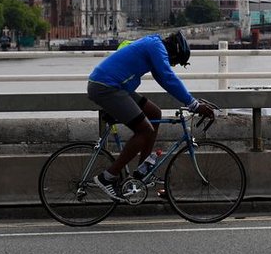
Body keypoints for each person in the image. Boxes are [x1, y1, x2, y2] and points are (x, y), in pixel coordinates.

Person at [87, 31, 215, 201]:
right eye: (176, 61)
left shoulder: (154, 46)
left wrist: (190, 100)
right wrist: (193, 104)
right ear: (174, 51)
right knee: (145, 130)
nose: (173, 64)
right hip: (107, 87)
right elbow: (168, 77)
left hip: (115, 86)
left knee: (155, 113)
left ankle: (142, 171)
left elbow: (163, 78)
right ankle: (108, 177)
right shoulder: (156, 47)